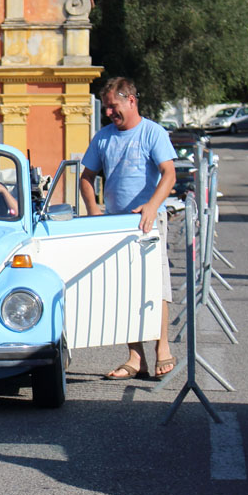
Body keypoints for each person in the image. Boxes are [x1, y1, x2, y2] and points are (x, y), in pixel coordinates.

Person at [80, 77, 177, 380]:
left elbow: (169, 174)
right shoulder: (103, 137)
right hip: (115, 224)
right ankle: (136, 357)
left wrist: (152, 205)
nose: (109, 112)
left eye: (113, 106)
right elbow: (86, 177)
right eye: (107, 107)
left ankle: (163, 349)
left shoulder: (152, 132)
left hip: (149, 223)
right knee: (125, 291)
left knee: (156, 286)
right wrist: (94, 210)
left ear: (131, 100)